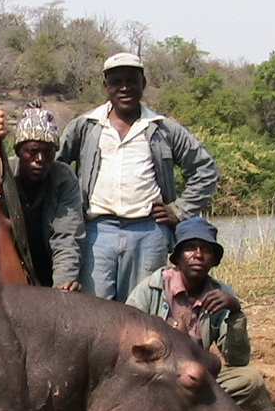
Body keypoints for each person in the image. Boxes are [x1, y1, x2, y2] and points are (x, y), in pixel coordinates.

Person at [58, 52, 219, 301]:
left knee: (143, 311)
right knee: (96, 310)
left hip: (149, 232)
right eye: (116, 81)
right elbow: (54, 166)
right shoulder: (86, 126)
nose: (125, 88)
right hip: (97, 231)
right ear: (106, 87)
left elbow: (205, 169)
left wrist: (180, 210)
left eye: (132, 81)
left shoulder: (163, 128)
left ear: (143, 84)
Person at [125, 217, 272, 411]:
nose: (198, 255)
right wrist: (171, 339)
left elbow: (238, 359)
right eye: (190, 248)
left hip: (197, 374)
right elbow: (126, 339)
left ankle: (183, 410)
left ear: (214, 260)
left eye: (207, 249)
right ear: (177, 257)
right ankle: (194, 410)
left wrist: (235, 312)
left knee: (251, 381)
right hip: (156, 375)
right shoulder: (152, 288)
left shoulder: (221, 294)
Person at [0, 104, 83, 290]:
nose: (40, 159)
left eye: (47, 152)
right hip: (5, 275)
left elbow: (67, 237)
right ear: (19, 151)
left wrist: (63, 284)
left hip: (50, 269)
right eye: (33, 151)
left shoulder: (64, 179)